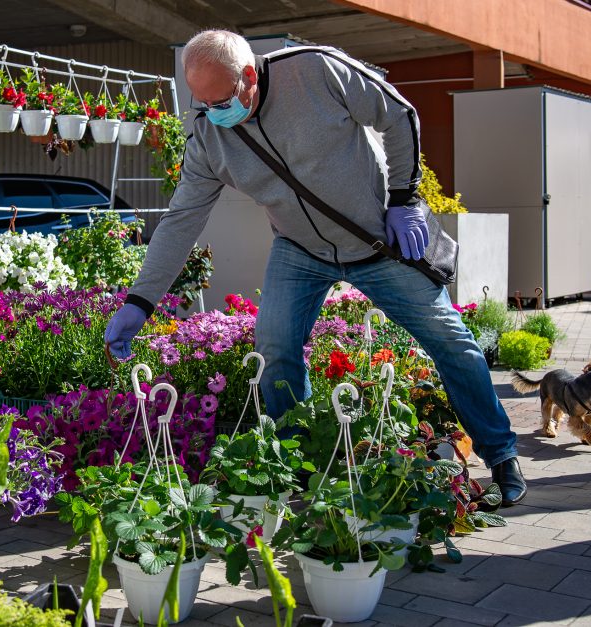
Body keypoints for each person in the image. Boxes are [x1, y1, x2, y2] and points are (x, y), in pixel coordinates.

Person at [104, 30, 526, 506]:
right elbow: (181, 222)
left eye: (220, 101)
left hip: (377, 243)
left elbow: (399, 114)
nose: (213, 115)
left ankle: (501, 454)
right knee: (274, 349)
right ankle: (301, 464)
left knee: (450, 340)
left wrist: (404, 198)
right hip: (300, 251)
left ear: (248, 76)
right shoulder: (209, 136)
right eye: (202, 104)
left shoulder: (316, 70)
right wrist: (140, 301)